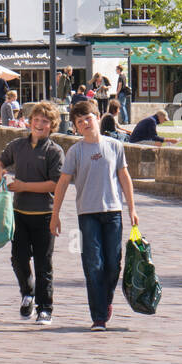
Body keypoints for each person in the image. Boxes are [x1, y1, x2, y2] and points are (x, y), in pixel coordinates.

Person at [50, 100, 138, 331]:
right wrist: (55, 213)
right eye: (80, 122)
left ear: (97, 117)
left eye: (88, 118)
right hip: (87, 213)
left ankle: (105, 299)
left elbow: (124, 177)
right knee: (93, 264)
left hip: (113, 212)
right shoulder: (75, 151)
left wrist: (132, 208)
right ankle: (98, 317)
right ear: (76, 128)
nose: (85, 123)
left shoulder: (114, 146)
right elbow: (62, 183)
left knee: (113, 265)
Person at [0, 102, 64, 326]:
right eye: (36, 120)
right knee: (18, 258)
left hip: (44, 214)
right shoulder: (17, 145)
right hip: (18, 213)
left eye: (45, 121)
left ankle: (46, 308)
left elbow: (55, 185)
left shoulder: (54, 151)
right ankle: (28, 292)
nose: (39, 124)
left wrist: (24, 186)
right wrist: (0, 172)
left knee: (44, 263)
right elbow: (0, 161)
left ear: (52, 126)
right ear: (29, 121)